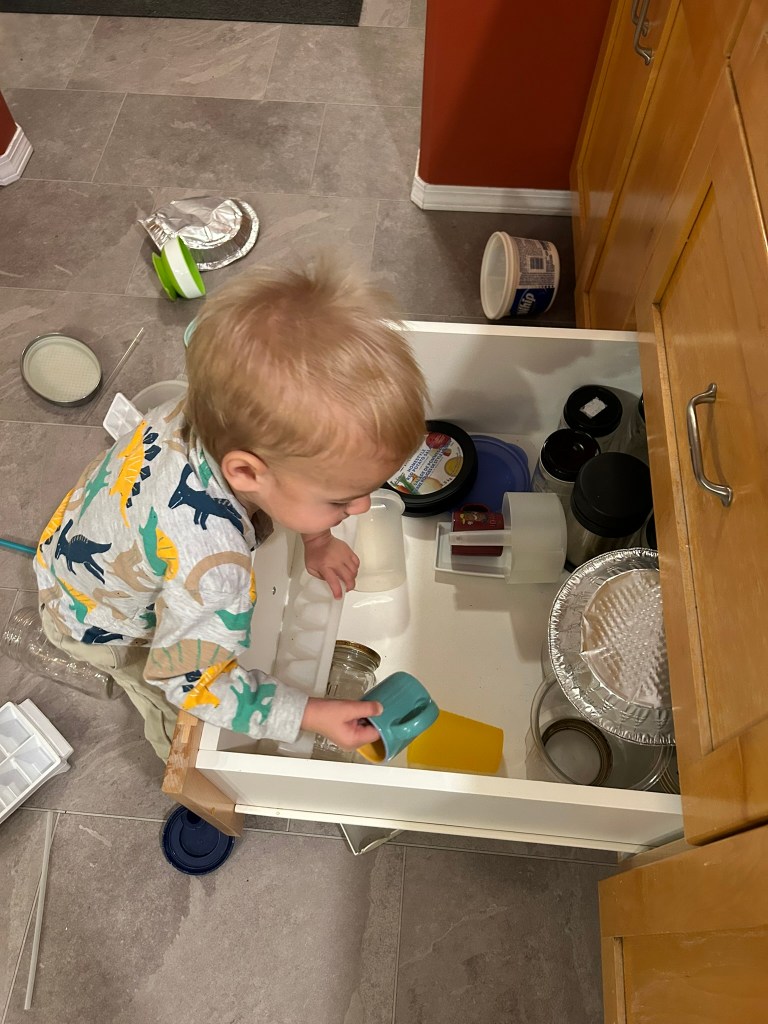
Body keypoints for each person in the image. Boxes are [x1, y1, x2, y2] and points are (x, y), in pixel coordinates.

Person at [34, 261, 428, 761]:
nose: (363, 506)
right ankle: (184, 766)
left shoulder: (201, 409)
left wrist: (318, 536)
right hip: (98, 624)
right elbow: (191, 683)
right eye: (340, 500)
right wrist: (308, 713)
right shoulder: (216, 572)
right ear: (245, 472)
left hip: (73, 537)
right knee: (179, 719)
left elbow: (289, 482)